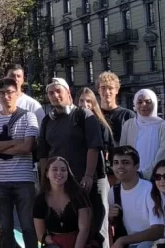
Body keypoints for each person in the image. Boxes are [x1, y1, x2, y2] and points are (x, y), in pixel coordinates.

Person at [38, 77, 108, 247]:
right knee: (72, 229)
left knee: (95, 231)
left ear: (68, 93)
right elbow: (43, 155)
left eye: (58, 91)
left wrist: (89, 175)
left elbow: (93, 147)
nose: (55, 95)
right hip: (61, 184)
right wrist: (43, 183)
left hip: (86, 182)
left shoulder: (84, 115)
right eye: (51, 93)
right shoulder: (47, 120)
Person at [0, 78, 39, 248]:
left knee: (28, 227)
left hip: (24, 180)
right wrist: (16, 142)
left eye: (9, 92)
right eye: (2, 93)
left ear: (17, 94)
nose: (6, 96)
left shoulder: (29, 116)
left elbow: (27, 147)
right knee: (5, 228)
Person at [108, 146, 165, 248]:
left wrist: (122, 240)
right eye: (116, 162)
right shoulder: (114, 191)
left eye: (125, 163)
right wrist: (111, 218)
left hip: (154, 243)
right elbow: (112, 225)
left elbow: (158, 230)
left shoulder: (150, 190)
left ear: (137, 166)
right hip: (128, 244)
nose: (120, 166)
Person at [33, 157, 92, 248]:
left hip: (79, 242)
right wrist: (57, 241)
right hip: (55, 243)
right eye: (54, 169)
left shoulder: (78, 195)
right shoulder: (40, 200)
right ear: (47, 174)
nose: (59, 173)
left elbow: (85, 229)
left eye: (63, 170)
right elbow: (41, 235)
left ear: (68, 174)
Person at [119, 89, 165, 179]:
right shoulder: (128, 125)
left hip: (157, 176)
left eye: (148, 102)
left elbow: (164, 152)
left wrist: (145, 173)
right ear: (135, 105)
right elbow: (123, 151)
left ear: (154, 103)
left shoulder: (163, 126)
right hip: (132, 176)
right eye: (139, 102)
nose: (143, 105)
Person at [97, 72, 135, 145]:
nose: (107, 92)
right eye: (103, 88)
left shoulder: (128, 116)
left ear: (117, 90)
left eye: (110, 88)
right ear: (98, 90)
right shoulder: (94, 115)